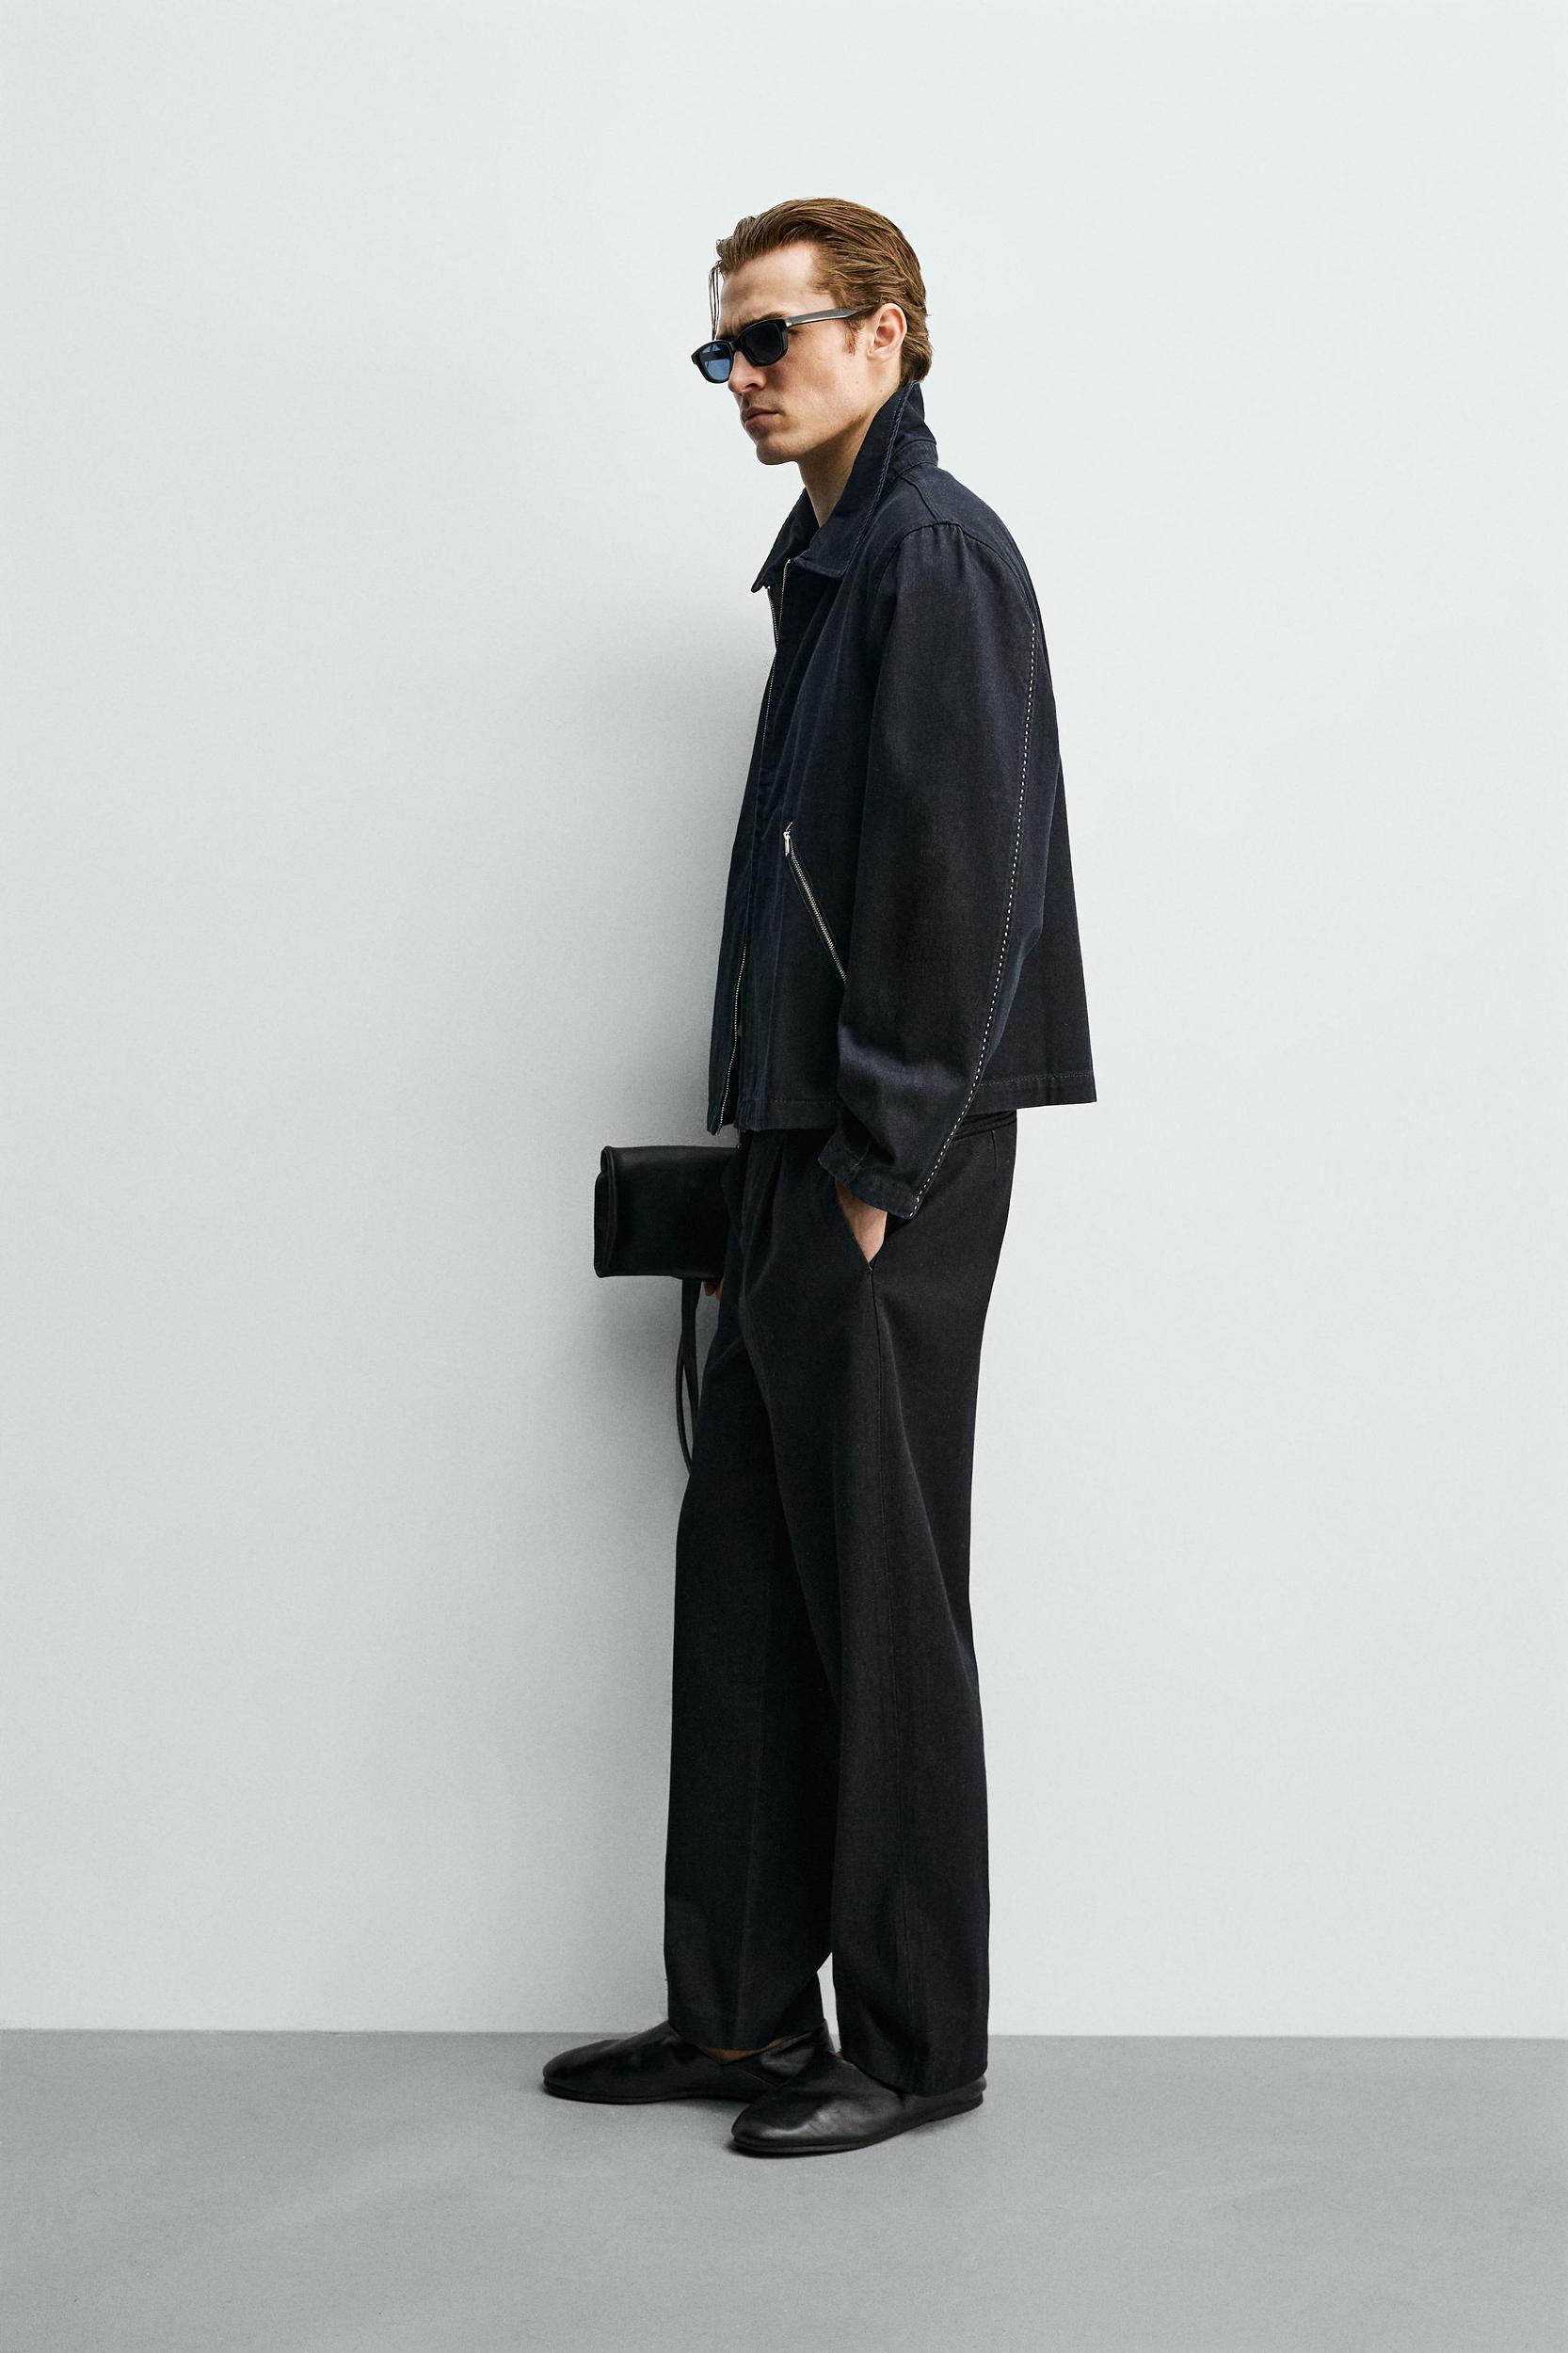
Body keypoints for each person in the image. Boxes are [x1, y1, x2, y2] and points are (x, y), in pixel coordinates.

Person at [544, 200, 1096, 2156]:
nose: (743, 377)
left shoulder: (931, 555)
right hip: (801, 1145)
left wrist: (872, 1164)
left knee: (876, 1597)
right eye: (724, 347)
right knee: (747, 1584)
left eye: (771, 336)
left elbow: (960, 881)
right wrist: (769, 1164)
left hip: (886, 1156)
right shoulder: (829, 565)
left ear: (885, 333)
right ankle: (742, 2015)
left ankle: (917, 2041)